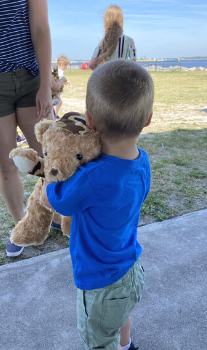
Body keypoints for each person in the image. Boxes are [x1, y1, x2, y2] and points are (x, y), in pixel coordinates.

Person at [40, 59, 153, 350]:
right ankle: (127, 346)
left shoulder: (91, 178)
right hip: (131, 270)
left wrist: (48, 174)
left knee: (98, 339)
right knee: (121, 316)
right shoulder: (142, 161)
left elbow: (59, 201)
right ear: (148, 119)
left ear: (89, 120)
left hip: (101, 283)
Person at [1, 0, 55, 257]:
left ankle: (57, 213)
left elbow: (40, 28)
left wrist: (46, 84)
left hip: (30, 76)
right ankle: (23, 225)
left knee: (53, 156)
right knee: (5, 164)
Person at [89, 5, 136, 71]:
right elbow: (134, 65)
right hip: (122, 79)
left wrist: (103, 74)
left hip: (106, 80)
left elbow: (91, 64)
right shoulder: (129, 40)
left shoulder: (103, 42)